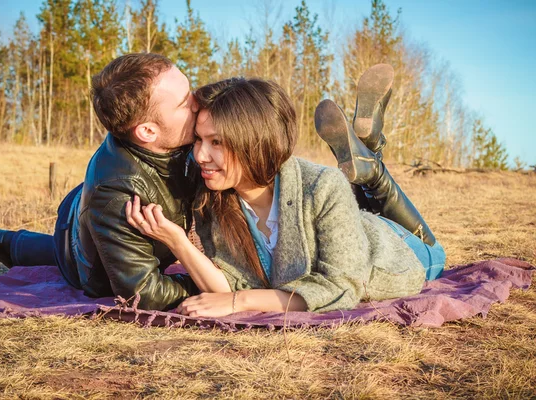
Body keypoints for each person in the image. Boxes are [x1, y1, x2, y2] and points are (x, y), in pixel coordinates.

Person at [126, 65, 446, 317]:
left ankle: (374, 173)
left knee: (435, 250)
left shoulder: (323, 185)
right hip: (343, 217)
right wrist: (177, 241)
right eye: (198, 139)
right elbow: (229, 284)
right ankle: (369, 162)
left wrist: (242, 302)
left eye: (217, 142)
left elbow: (341, 288)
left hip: (395, 246)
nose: (200, 156)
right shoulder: (214, 200)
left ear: (254, 144)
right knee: (344, 199)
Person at [0, 53, 203, 311]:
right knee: (65, 258)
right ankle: (3, 242)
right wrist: (218, 285)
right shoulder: (118, 196)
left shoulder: (175, 138)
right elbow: (144, 294)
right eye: (185, 102)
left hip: (90, 208)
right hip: (86, 250)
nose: (198, 102)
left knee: (63, 250)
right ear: (147, 131)